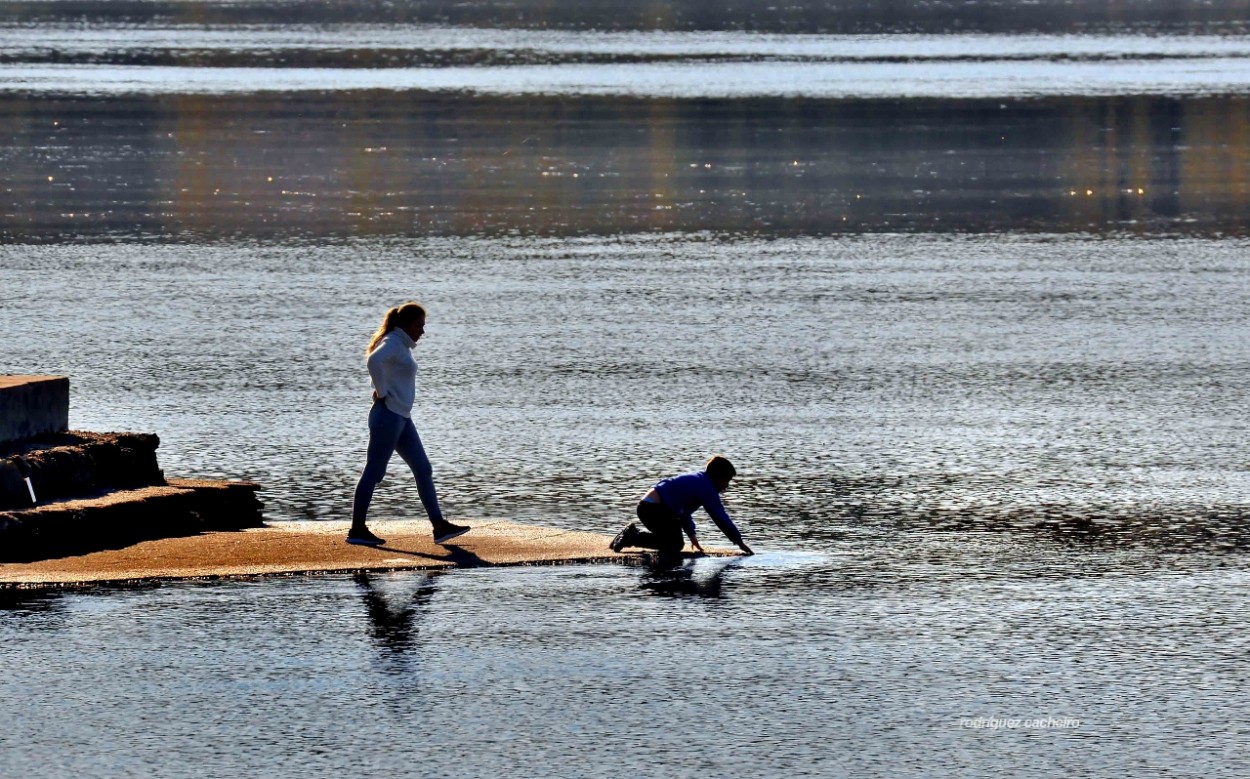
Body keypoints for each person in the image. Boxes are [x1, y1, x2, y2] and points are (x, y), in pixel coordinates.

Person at [348, 302, 469, 547]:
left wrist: (387, 392)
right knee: (374, 471)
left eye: (423, 326)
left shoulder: (401, 344)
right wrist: (381, 391)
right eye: (418, 325)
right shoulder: (393, 342)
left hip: (401, 416)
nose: (422, 331)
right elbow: (373, 361)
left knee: (423, 468)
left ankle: (439, 527)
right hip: (387, 416)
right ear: (405, 324)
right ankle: (357, 530)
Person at [610, 455, 754, 556]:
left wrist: (692, 536)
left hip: (647, 507)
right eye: (726, 481)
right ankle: (633, 537)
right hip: (653, 510)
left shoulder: (700, 480)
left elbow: (683, 513)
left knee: (672, 541)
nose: (726, 486)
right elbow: (720, 517)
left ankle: (629, 535)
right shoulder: (707, 488)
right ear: (718, 477)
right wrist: (738, 541)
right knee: (674, 544)